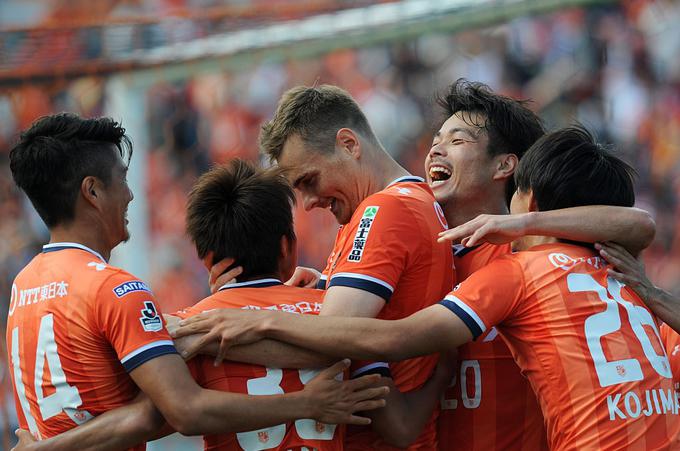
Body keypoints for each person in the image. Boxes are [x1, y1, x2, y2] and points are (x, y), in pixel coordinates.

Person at [174, 126, 680, 450]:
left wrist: (260, 317)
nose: (435, 149)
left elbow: (392, 347)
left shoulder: (511, 271)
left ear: (523, 194)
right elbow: (641, 224)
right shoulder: (623, 274)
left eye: (458, 139)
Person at [6, 113, 386, 450]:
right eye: (122, 179)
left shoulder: (23, 286)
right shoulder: (116, 288)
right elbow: (181, 410)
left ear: (206, 257)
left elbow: (153, 413)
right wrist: (306, 402)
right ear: (92, 191)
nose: (131, 193)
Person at [424, 80, 655, 451]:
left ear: (505, 165)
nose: (436, 148)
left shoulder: (529, 258)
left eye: (457, 140)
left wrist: (523, 223)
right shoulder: (417, 248)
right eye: (437, 138)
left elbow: (640, 224)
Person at [247, 84, 454, 450]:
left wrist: (227, 329)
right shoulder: (409, 202)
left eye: (309, 181)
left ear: (349, 144)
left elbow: (328, 343)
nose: (308, 203)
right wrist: (324, 287)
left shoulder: (383, 211)